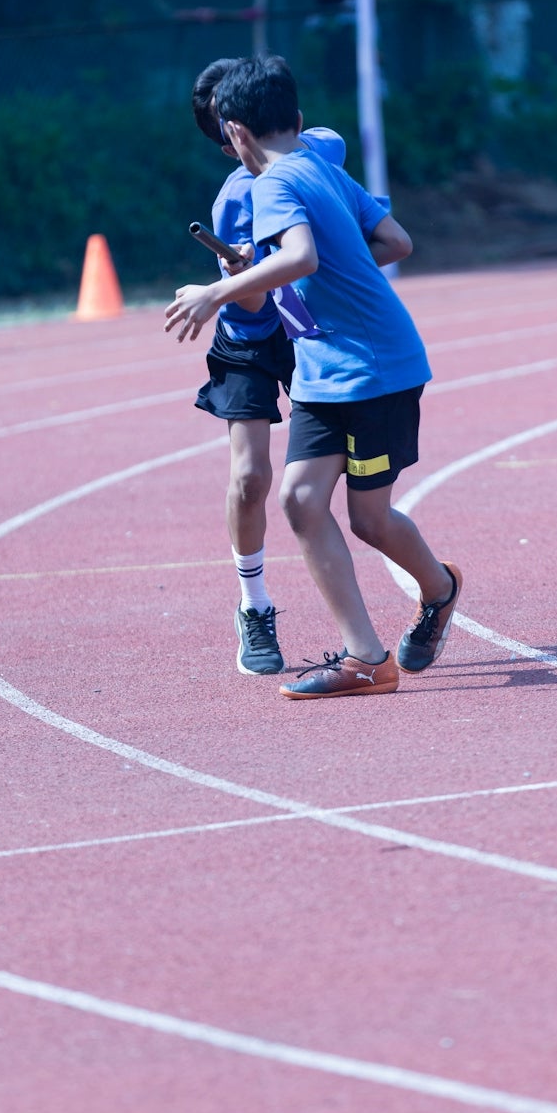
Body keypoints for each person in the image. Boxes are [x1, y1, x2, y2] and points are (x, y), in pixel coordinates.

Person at [168, 56, 462, 699]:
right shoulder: (321, 163)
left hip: (373, 370)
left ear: (236, 134)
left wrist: (219, 292)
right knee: (300, 501)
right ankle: (366, 658)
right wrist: (301, 272)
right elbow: (396, 242)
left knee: (369, 521)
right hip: (321, 372)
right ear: (297, 120)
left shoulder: (272, 184)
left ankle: (439, 589)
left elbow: (300, 255)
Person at [189, 58, 348, 677]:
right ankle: (254, 604)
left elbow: (324, 140)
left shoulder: (321, 149)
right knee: (252, 478)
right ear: (231, 136)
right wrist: (237, 280)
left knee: (353, 481)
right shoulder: (234, 200)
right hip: (253, 336)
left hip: (312, 331)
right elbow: (253, 302)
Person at [470, 0, 531, 105]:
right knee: (509, 72)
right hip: (508, 23)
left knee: (501, 74)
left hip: (501, 26)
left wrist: (491, 30)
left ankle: (506, 121)